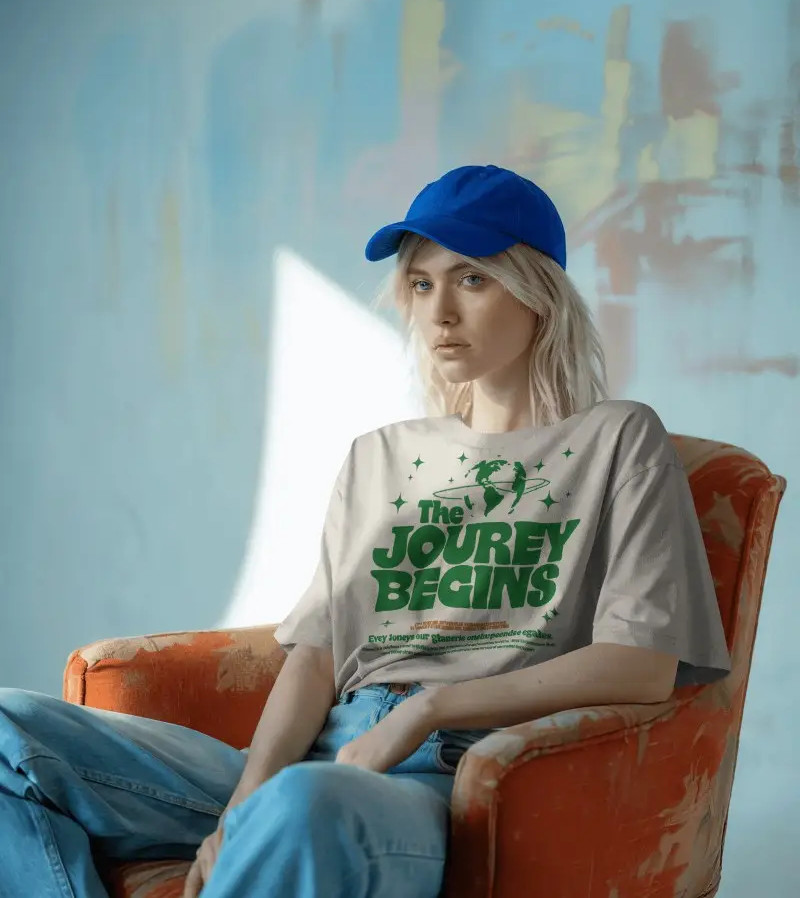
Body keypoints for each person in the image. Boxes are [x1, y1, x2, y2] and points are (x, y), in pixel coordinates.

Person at [0, 164, 731, 898]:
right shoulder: (382, 455)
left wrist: (428, 709)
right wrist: (243, 802)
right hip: (319, 757)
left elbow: (640, 666)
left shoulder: (616, 440)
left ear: (536, 288)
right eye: (421, 283)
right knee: (8, 727)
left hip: (450, 777)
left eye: (472, 279)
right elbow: (316, 657)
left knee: (303, 807)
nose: (440, 310)